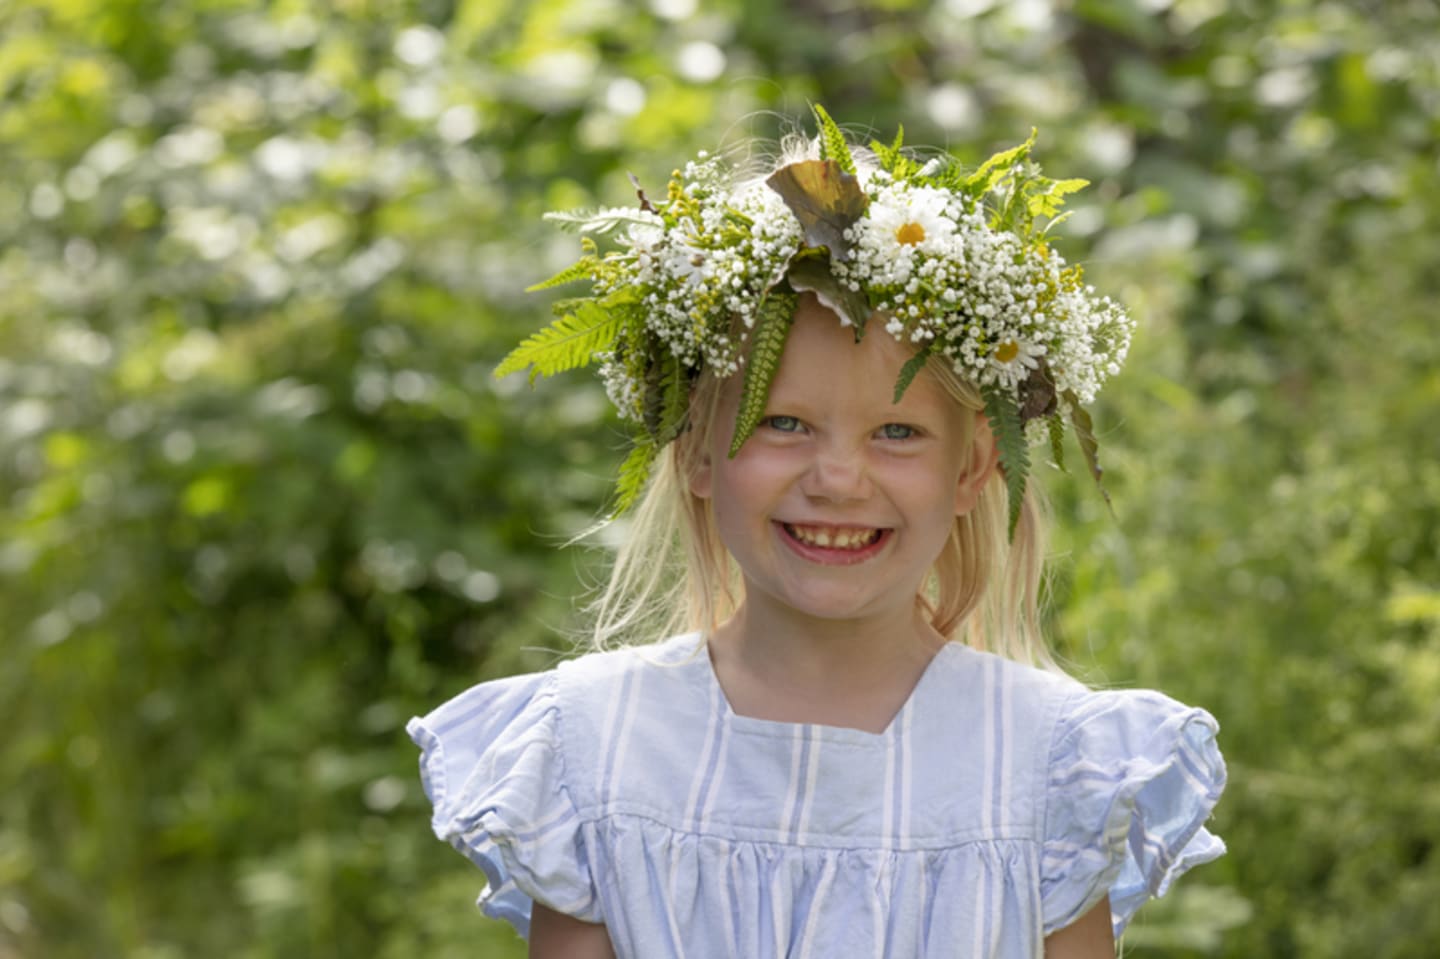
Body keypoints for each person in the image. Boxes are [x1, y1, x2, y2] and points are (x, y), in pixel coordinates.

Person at [408, 107, 1226, 958]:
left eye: (897, 432)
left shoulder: (1051, 765)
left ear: (974, 467)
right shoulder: (595, 750)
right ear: (694, 450)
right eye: (784, 422)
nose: (838, 479)